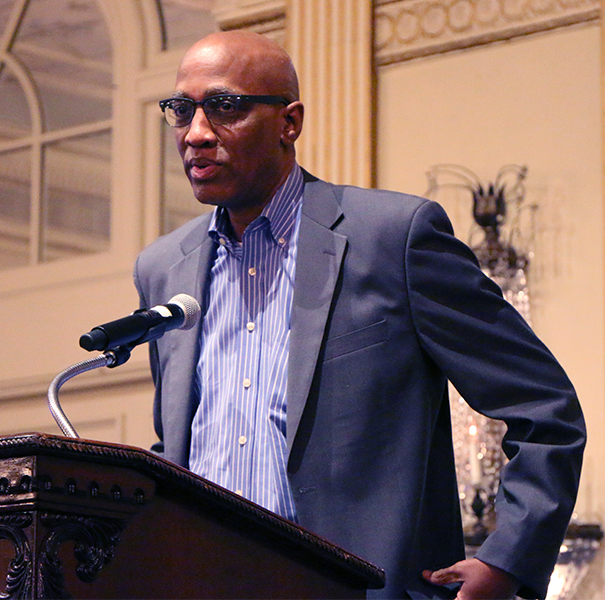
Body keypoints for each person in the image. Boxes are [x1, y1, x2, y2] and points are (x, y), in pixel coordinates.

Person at [133, 30, 585, 600]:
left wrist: (508, 561)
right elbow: (178, 446)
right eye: (181, 110)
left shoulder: (393, 239)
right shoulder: (162, 269)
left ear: (289, 123)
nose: (196, 134)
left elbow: (545, 409)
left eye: (225, 108)